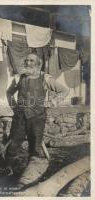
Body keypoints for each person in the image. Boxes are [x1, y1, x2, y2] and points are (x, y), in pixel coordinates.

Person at [6, 53, 69, 189]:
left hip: (37, 118)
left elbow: (64, 90)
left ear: (38, 64)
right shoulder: (18, 78)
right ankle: (10, 172)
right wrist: (14, 106)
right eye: (26, 60)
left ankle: (29, 178)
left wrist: (51, 102)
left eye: (32, 60)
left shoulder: (45, 78)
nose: (28, 63)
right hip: (20, 117)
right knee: (12, 145)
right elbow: (9, 92)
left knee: (34, 148)